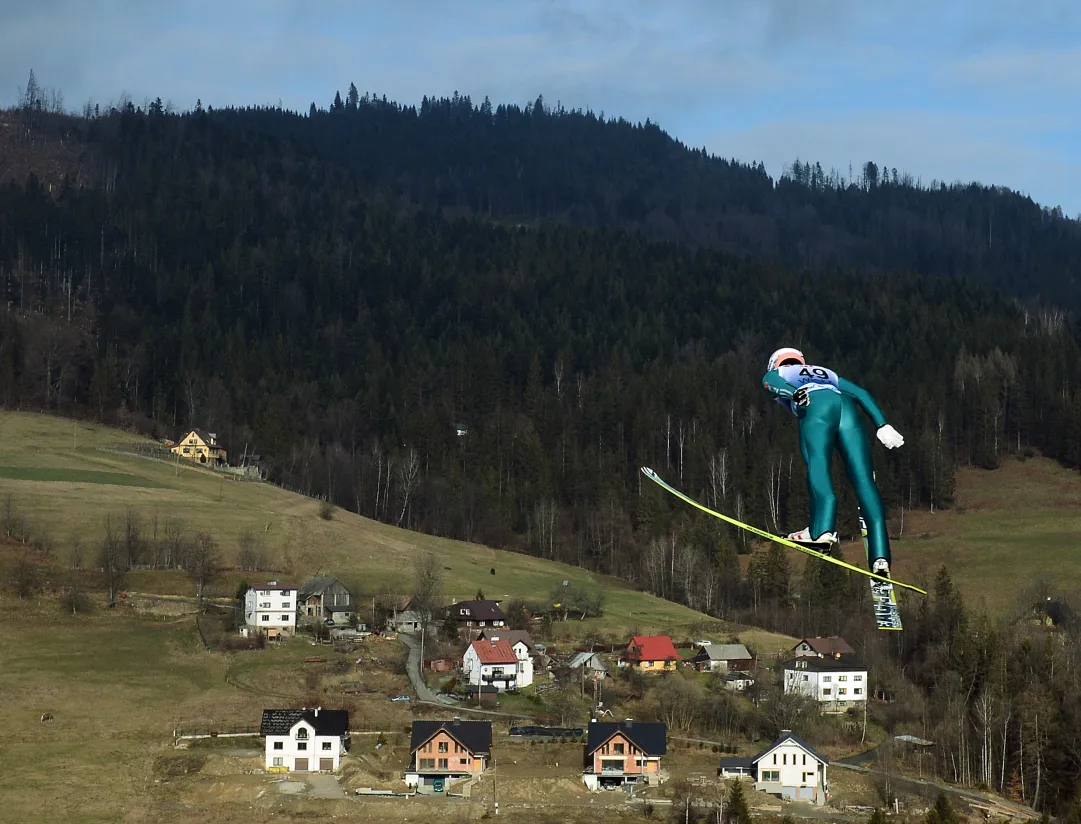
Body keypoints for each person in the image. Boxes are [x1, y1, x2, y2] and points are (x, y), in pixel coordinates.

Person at [761, 347, 905, 576]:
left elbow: (769, 383)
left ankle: (823, 530)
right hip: (846, 408)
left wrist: (792, 393)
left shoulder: (783, 372)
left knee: (818, 464)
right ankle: (881, 556)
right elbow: (860, 393)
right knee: (864, 480)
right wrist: (881, 423)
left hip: (816, 407)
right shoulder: (826, 373)